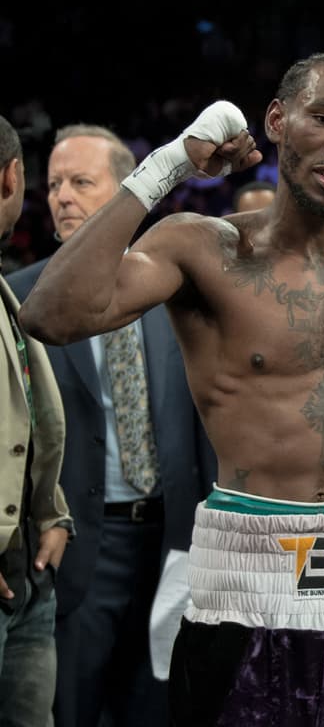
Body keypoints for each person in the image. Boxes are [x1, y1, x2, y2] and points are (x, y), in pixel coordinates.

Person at [17, 50, 324, 724]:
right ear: (277, 120)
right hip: (239, 594)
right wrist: (167, 166)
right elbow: (50, 315)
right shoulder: (201, 248)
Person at [7, 123, 218, 727]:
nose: (61, 196)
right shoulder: (25, 296)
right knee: (70, 704)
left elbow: (202, 418)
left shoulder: (171, 286)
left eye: (80, 182)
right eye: (52, 184)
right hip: (74, 545)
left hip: (171, 538)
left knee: (155, 705)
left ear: (127, 189)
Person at [0, 115, 72, 727]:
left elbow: (19, 426)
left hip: (28, 573)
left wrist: (53, 511)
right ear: (14, 179)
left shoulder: (5, 292)